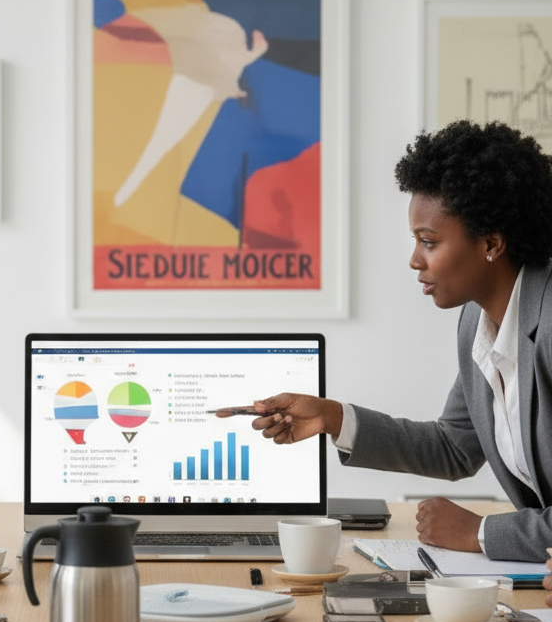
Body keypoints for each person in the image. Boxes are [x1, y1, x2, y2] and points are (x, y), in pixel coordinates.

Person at [234, 120, 552, 563]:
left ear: (492, 243)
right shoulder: (476, 322)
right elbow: (454, 447)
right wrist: (332, 417)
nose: (414, 260)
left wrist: (481, 532)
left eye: (429, 241)